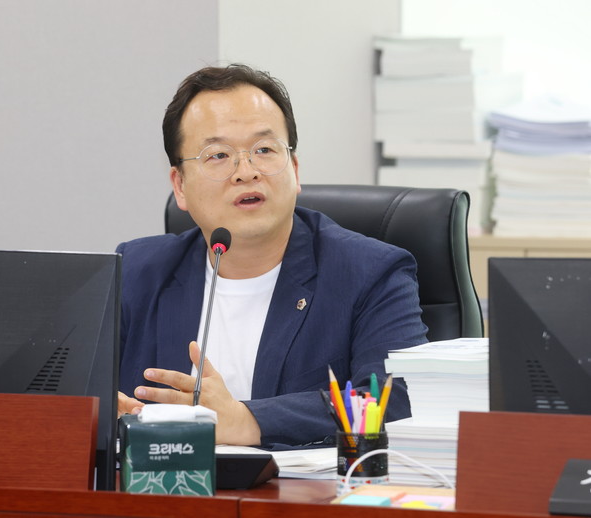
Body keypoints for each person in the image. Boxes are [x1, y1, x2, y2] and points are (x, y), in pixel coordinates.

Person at [116, 64, 427, 448]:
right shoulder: (136, 271)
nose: (246, 172)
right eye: (218, 155)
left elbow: (399, 400)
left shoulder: (370, 273)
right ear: (179, 185)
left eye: (264, 150)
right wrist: (101, 414)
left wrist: (249, 421)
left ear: (294, 169)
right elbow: (78, 390)